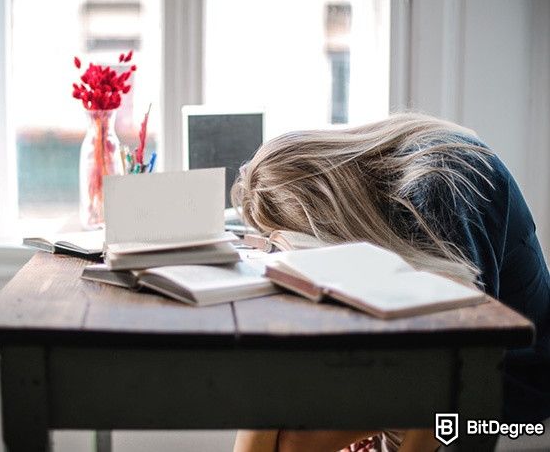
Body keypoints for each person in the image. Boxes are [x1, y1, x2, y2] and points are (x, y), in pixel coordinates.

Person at [230, 113, 550, 452]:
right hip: (439, 367)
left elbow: (463, 366)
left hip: (518, 382)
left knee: (289, 435)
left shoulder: (442, 183)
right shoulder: (395, 181)